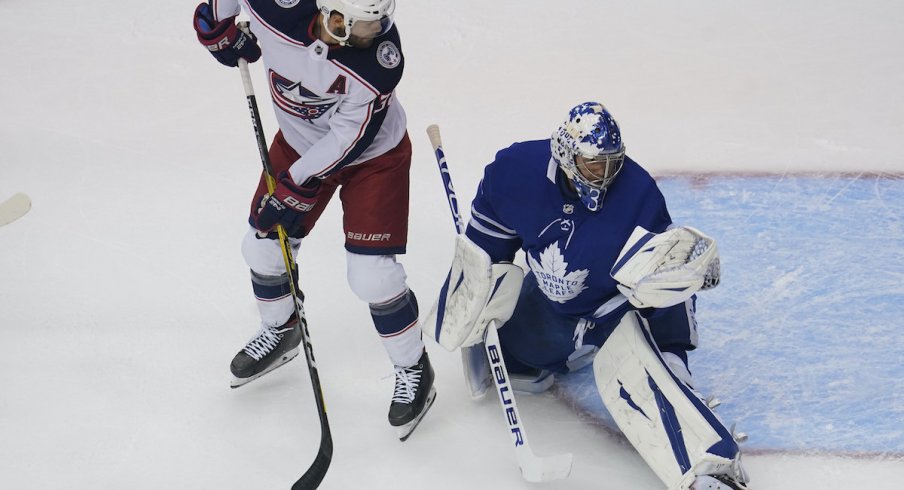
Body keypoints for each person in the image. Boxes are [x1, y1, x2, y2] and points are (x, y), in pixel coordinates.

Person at [427, 102, 750, 489]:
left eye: (613, 163)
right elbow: (485, 250)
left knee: (641, 378)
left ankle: (706, 465)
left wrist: (672, 357)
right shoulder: (516, 172)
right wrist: (475, 304)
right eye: (595, 164)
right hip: (548, 305)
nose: (606, 174)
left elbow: (664, 278)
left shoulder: (637, 195)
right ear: (565, 154)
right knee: (519, 364)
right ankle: (549, 352)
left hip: (611, 312)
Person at [192, 0, 435, 437]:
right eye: (366, 21)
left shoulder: (377, 62)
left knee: (372, 276)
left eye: (381, 17)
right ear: (334, 16)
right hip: (299, 143)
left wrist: (295, 184)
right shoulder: (280, 8)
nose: (378, 28)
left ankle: (413, 366)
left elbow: (349, 139)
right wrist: (218, 22)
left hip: (374, 158)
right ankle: (280, 329)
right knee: (262, 248)